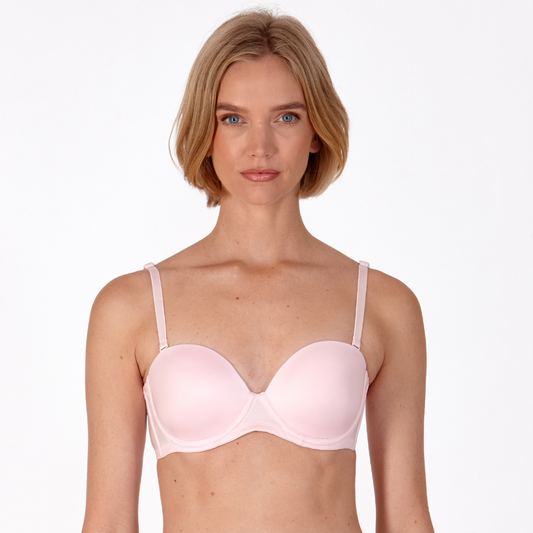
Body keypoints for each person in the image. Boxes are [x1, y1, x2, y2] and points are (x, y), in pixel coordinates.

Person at [82, 9, 434, 533]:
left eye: (286, 117)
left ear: (316, 131)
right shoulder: (130, 309)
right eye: (233, 119)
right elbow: (108, 522)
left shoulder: (383, 306)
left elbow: (406, 518)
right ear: (206, 132)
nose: (260, 147)